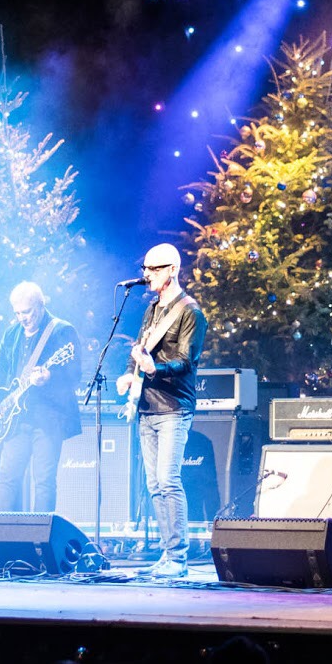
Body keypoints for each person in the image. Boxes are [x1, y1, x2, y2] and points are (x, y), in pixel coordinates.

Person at [119, 243, 206, 578]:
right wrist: (131, 373)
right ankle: (167, 554)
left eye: (154, 269)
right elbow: (140, 349)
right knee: (154, 484)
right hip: (147, 407)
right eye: (145, 268)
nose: (147, 274)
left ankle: (178, 558)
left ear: (173, 269)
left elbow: (186, 362)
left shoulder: (190, 312)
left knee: (169, 481)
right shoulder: (152, 309)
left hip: (173, 407)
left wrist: (154, 369)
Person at [0, 281, 82, 514]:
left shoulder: (61, 330)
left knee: (43, 481)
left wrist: (49, 377)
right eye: (17, 313)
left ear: (40, 305)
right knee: (7, 478)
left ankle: (40, 535)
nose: (21, 318)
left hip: (48, 418)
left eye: (26, 312)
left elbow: (75, 373)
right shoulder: (12, 333)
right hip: (16, 419)